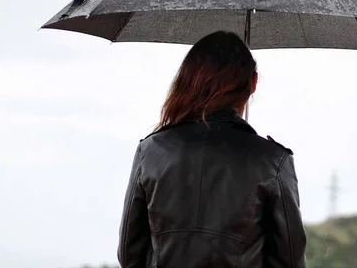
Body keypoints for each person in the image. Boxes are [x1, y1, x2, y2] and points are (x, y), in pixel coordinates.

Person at [117, 31, 307, 268]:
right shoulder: (274, 161)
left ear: (188, 81)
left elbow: (129, 254)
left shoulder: (150, 151)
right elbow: (289, 260)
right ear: (254, 82)